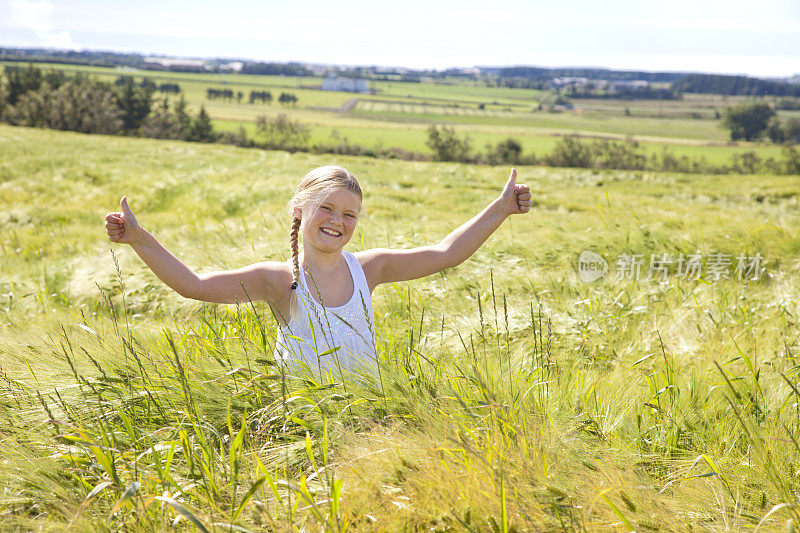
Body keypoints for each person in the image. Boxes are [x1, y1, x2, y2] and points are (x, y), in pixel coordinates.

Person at [104, 165, 531, 377]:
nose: (336, 221)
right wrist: (140, 239)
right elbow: (193, 286)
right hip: (303, 423)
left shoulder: (370, 268)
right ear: (299, 209)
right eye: (325, 208)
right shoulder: (279, 279)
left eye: (349, 214)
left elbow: (445, 254)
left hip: (366, 416)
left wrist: (502, 208)